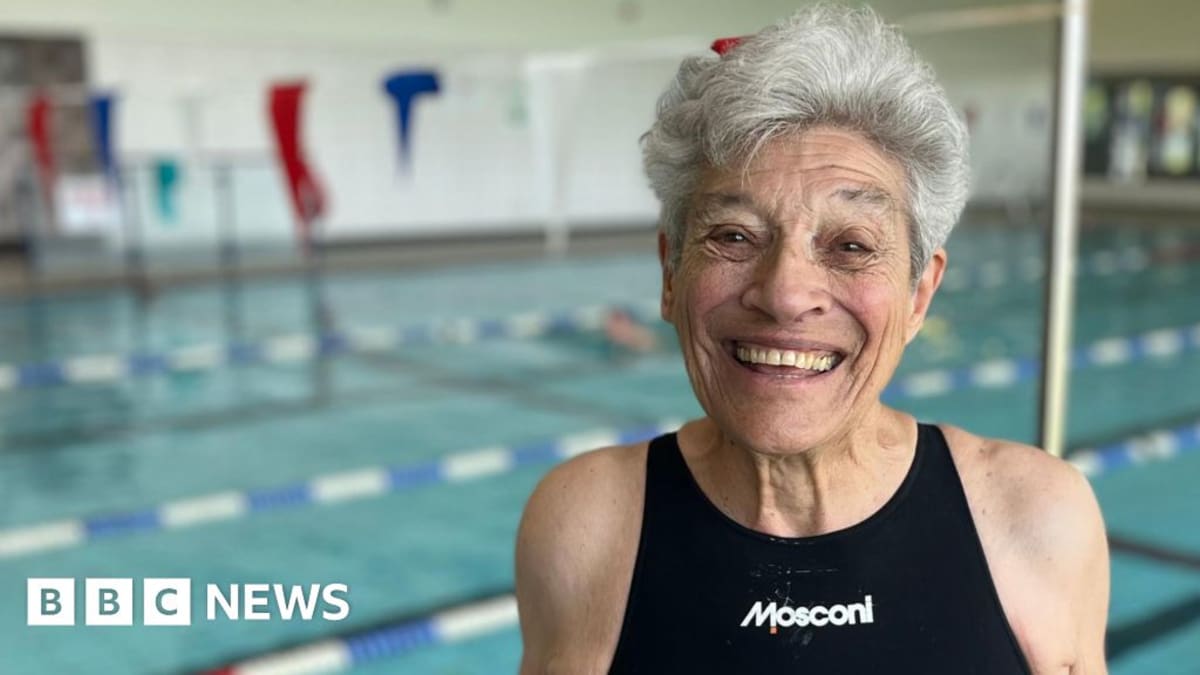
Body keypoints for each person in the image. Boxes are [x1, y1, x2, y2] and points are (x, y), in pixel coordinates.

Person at [515, 5, 1109, 674]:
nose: (786, 293)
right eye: (734, 235)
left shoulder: (1036, 518)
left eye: (851, 245)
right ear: (670, 274)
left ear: (919, 294)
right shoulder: (584, 524)